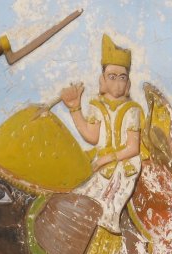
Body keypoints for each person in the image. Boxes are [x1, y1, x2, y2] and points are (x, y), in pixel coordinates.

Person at [60, 34, 143, 234]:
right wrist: (75, 109)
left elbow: (133, 148)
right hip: (102, 160)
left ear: (128, 83)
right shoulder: (97, 106)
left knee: (111, 194)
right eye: (112, 77)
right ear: (102, 80)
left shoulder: (132, 110)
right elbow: (92, 137)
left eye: (122, 78)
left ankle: (108, 222)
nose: (117, 83)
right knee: (83, 191)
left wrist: (108, 158)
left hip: (124, 163)